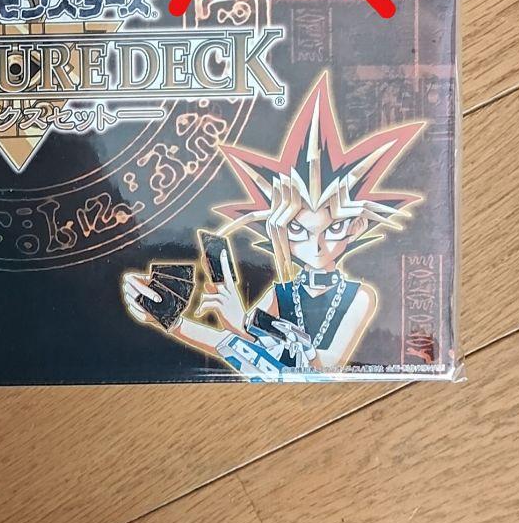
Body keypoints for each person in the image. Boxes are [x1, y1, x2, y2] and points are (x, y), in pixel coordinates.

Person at [123, 72, 423, 376]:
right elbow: (232, 346)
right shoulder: (282, 294)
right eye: (298, 230)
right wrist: (170, 318)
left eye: (332, 229)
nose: (316, 245)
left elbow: (318, 370)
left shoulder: (359, 297)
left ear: (356, 226)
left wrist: (241, 322)